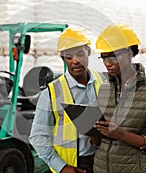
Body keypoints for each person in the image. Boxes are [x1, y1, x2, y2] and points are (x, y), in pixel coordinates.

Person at [93, 23, 146, 173]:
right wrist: (94, 133)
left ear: (129, 53)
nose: (107, 63)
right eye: (103, 58)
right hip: (102, 168)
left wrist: (121, 134)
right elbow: (101, 135)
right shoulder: (104, 87)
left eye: (113, 56)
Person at [29, 28, 105, 173]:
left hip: (103, 160)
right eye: (69, 57)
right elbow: (38, 137)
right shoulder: (51, 93)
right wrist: (62, 167)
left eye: (80, 54)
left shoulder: (104, 82)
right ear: (63, 58)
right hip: (74, 165)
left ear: (88, 52)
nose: (75, 61)